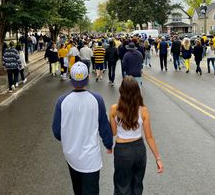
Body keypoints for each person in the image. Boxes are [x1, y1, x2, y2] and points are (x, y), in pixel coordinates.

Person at [52, 62, 113, 195]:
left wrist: (70, 135)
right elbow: (104, 126)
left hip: (71, 155)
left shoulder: (62, 101)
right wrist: (109, 144)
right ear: (87, 78)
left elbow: (57, 132)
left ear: (71, 79)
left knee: (77, 189)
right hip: (90, 158)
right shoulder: (97, 99)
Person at [109, 76, 163, 195]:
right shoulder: (143, 110)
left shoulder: (114, 109)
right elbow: (149, 137)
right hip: (139, 149)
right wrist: (158, 158)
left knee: (122, 186)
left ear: (121, 90)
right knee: (137, 186)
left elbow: (113, 132)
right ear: (137, 92)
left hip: (122, 150)